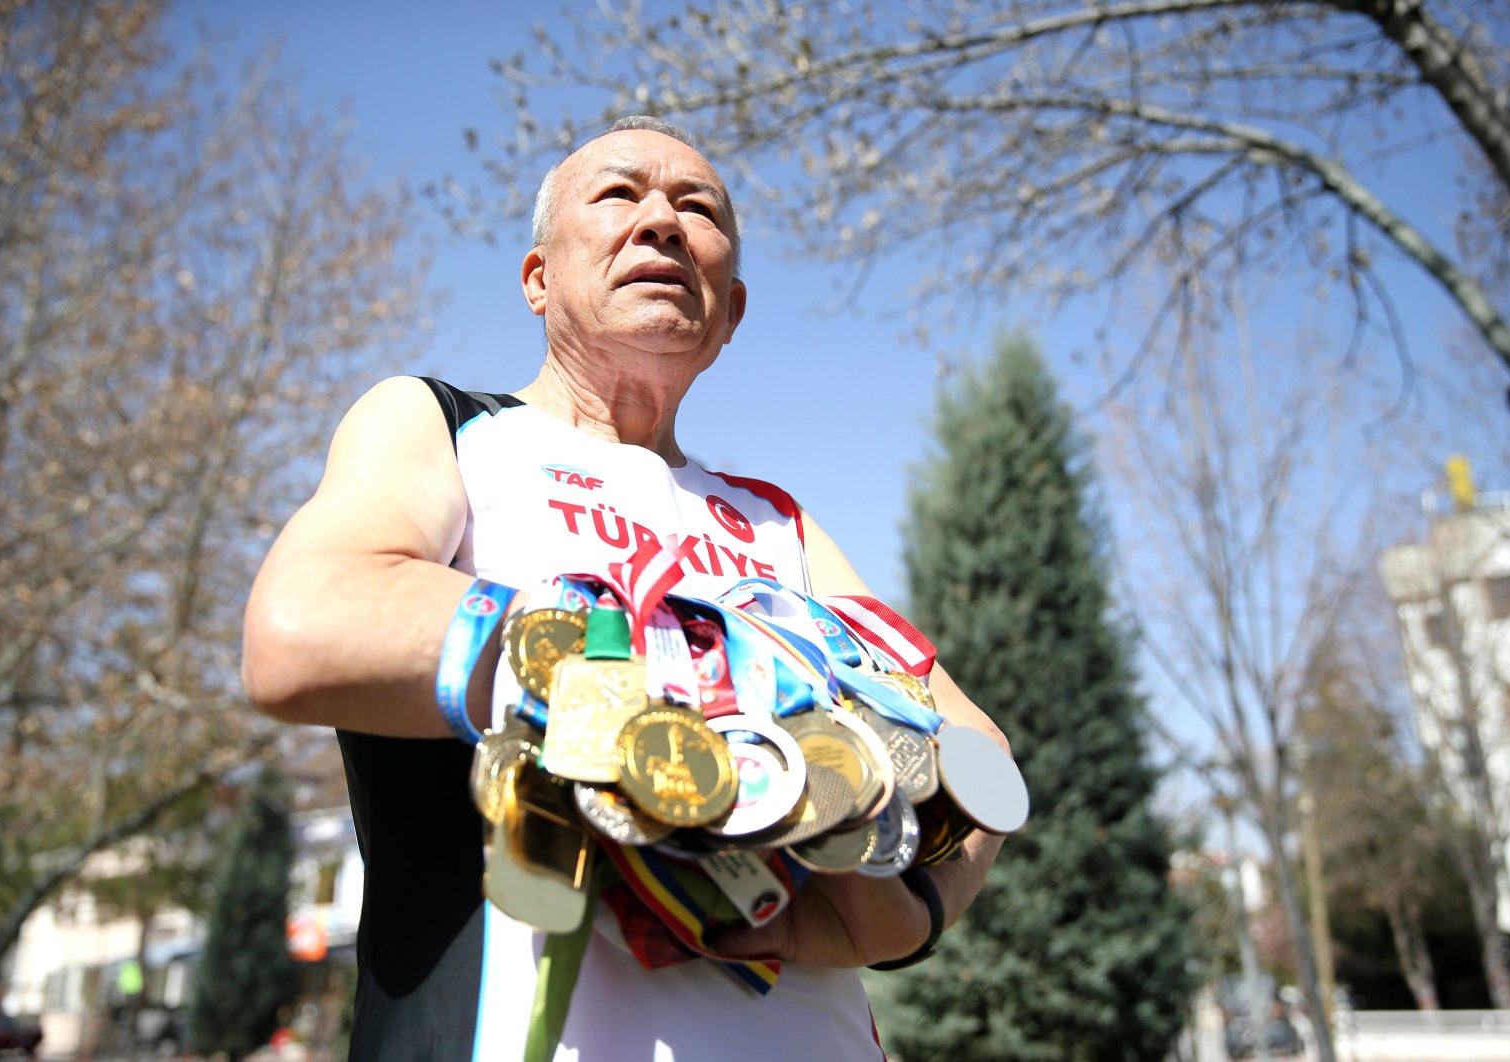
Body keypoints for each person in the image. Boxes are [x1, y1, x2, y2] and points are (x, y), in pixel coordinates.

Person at [242, 116, 1010, 1060]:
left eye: (699, 209)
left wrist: (885, 920)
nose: (662, 223)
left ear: (729, 310)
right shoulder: (440, 425)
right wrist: (684, 676)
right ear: (537, 278)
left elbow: (977, 755)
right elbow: (304, 622)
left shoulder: (778, 521)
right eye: (619, 194)